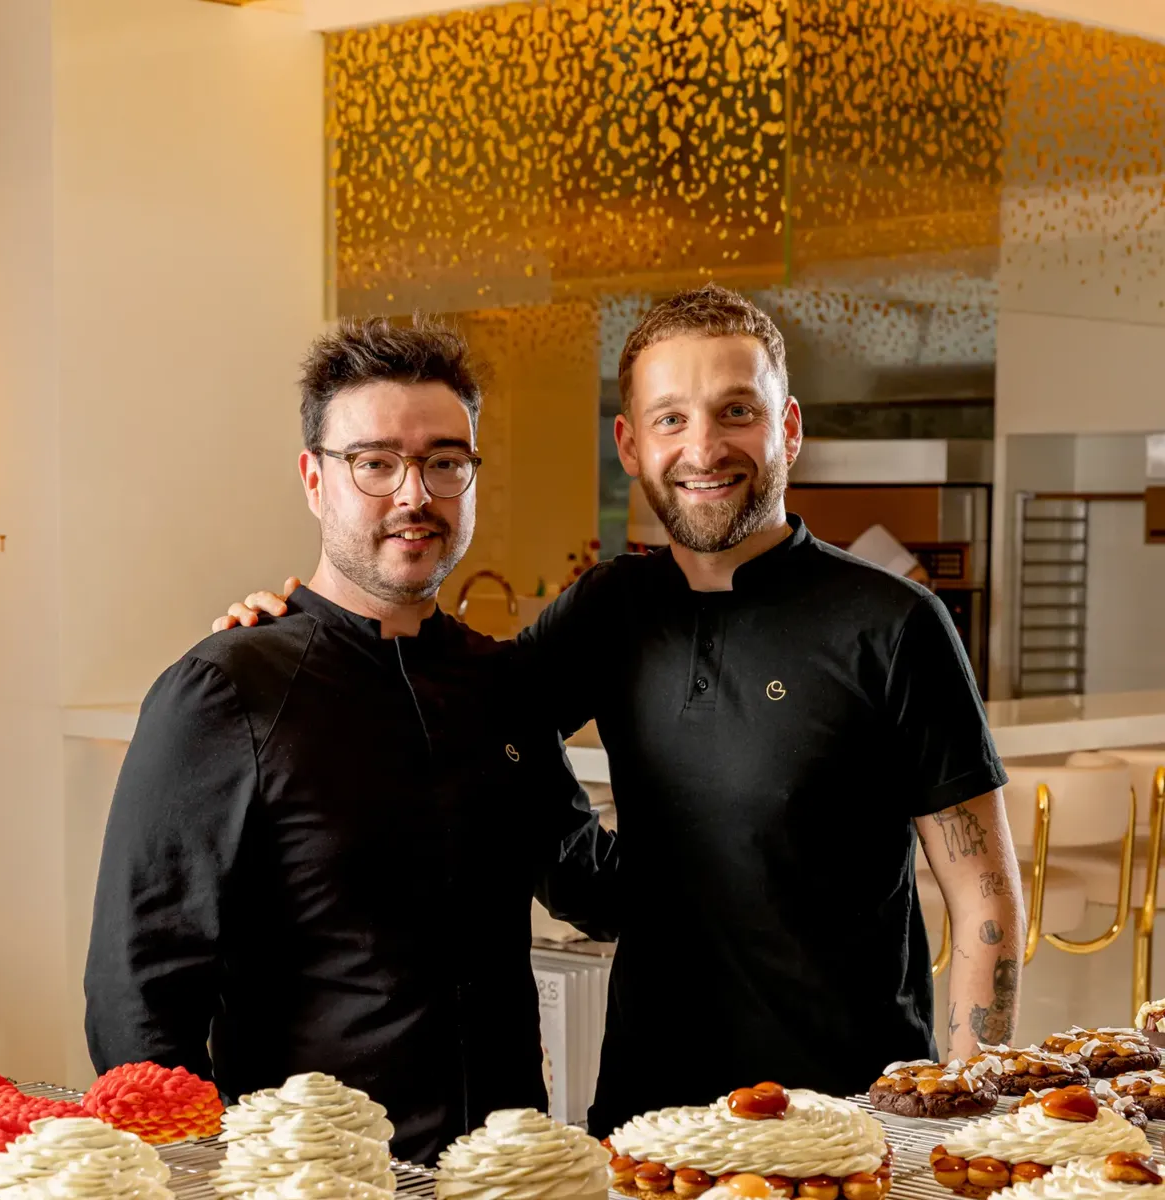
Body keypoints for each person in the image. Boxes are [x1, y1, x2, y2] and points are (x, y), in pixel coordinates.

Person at [216, 285, 1024, 1137]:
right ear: (631, 445)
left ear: (787, 429)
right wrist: (297, 634)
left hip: (848, 1119)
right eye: (671, 419)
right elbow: (460, 715)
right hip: (650, 1118)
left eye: (736, 411)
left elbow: (986, 897)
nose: (704, 447)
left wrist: (951, 1120)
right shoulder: (610, 609)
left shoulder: (894, 625)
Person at [85, 317, 618, 1165]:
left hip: (507, 1173)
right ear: (314, 479)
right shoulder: (226, 689)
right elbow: (141, 991)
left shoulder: (500, 685)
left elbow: (595, 887)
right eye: (375, 462)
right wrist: (192, 1175)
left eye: (445, 461)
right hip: (311, 1181)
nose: (415, 494)